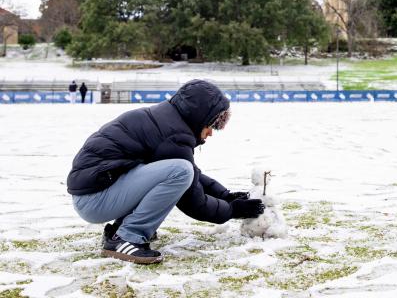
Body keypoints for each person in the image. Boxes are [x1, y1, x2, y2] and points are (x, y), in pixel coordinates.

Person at [66, 79, 264, 264]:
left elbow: (192, 176)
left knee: (181, 171)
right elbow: (192, 200)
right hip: (94, 200)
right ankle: (127, 237)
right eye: (212, 124)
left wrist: (225, 195)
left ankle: (121, 229)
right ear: (199, 117)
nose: (212, 132)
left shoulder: (165, 121)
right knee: (180, 171)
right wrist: (232, 210)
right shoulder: (172, 134)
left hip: (96, 194)